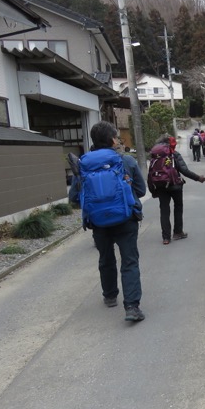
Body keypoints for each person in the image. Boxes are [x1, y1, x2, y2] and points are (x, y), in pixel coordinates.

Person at [72, 121, 147, 322]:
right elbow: (141, 190)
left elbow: (73, 198)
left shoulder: (83, 164)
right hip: (126, 219)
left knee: (106, 258)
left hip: (98, 221)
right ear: (113, 139)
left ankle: (110, 295)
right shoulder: (126, 161)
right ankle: (131, 307)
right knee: (129, 261)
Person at [150, 134, 205, 245]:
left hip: (161, 186)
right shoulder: (174, 154)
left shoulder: (156, 155)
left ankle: (166, 238)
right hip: (175, 185)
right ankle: (178, 232)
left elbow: (151, 173)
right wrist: (198, 178)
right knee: (178, 207)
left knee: (164, 210)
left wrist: (153, 189)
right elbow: (184, 170)